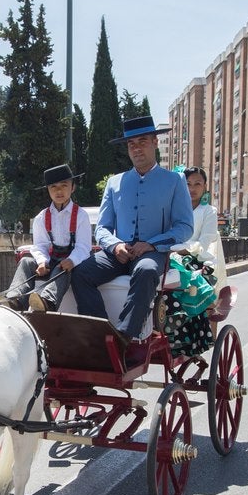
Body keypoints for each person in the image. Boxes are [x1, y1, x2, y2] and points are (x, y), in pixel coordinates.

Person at [70, 114, 194, 342]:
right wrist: (115, 245)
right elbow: (102, 228)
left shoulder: (174, 181)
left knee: (145, 270)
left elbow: (185, 226)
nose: (136, 148)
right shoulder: (114, 182)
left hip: (153, 253)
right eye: (131, 144)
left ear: (155, 142)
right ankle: (100, 332)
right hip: (118, 252)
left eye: (142, 141)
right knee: (80, 273)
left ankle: (124, 337)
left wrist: (151, 244)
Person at [5, 163, 91, 312]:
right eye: (53, 187)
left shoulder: (81, 216)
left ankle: (47, 302)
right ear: (48, 190)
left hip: (72, 263)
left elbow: (84, 247)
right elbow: (40, 245)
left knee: (61, 268)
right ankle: (15, 299)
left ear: (73, 187)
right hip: (51, 259)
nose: (59, 191)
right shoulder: (41, 217)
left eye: (64, 185)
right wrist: (42, 262)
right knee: (26, 262)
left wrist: (72, 260)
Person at [175, 166, 231, 318]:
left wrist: (183, 250)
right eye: (188, 184)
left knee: (197, 282)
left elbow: (205, 241)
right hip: (172, 255)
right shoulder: (175, 208)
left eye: (197, 184)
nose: (192, 188)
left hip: (198, 258)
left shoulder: (209, 211)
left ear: (205, 186)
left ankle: (205, 319)